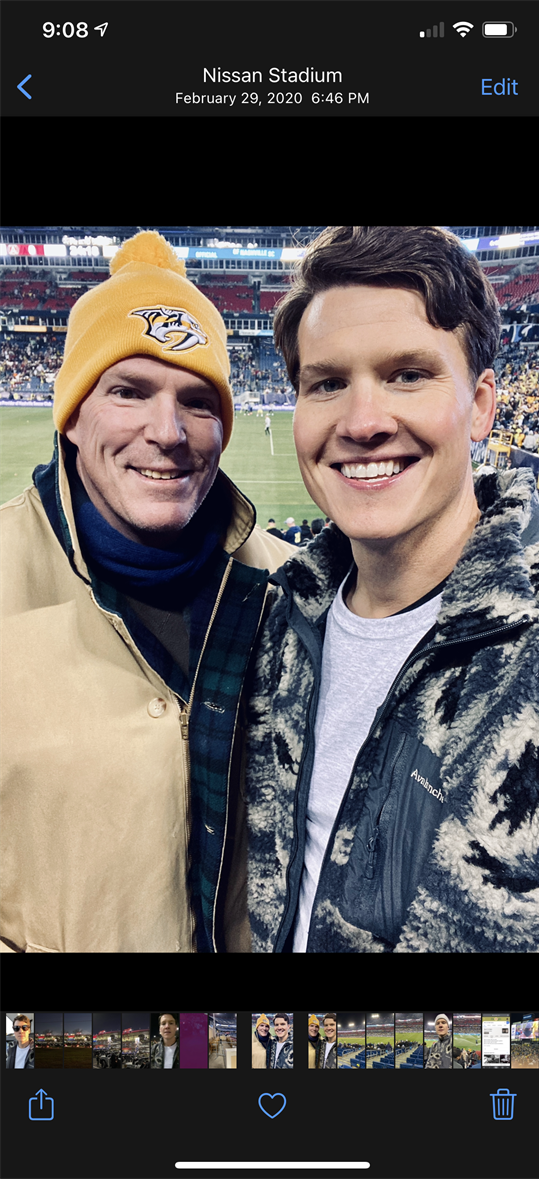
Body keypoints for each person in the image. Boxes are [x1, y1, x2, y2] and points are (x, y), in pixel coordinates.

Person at [245, 224, 539, 954]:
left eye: (407, 374)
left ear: (480, 406)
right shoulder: (273, 620)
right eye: (326, 383)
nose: (362, 422)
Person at [0, 230, 291, 955]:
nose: (167, 432)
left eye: (197, 400)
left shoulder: (298, 589)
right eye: (129, 391)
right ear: (70, 414)